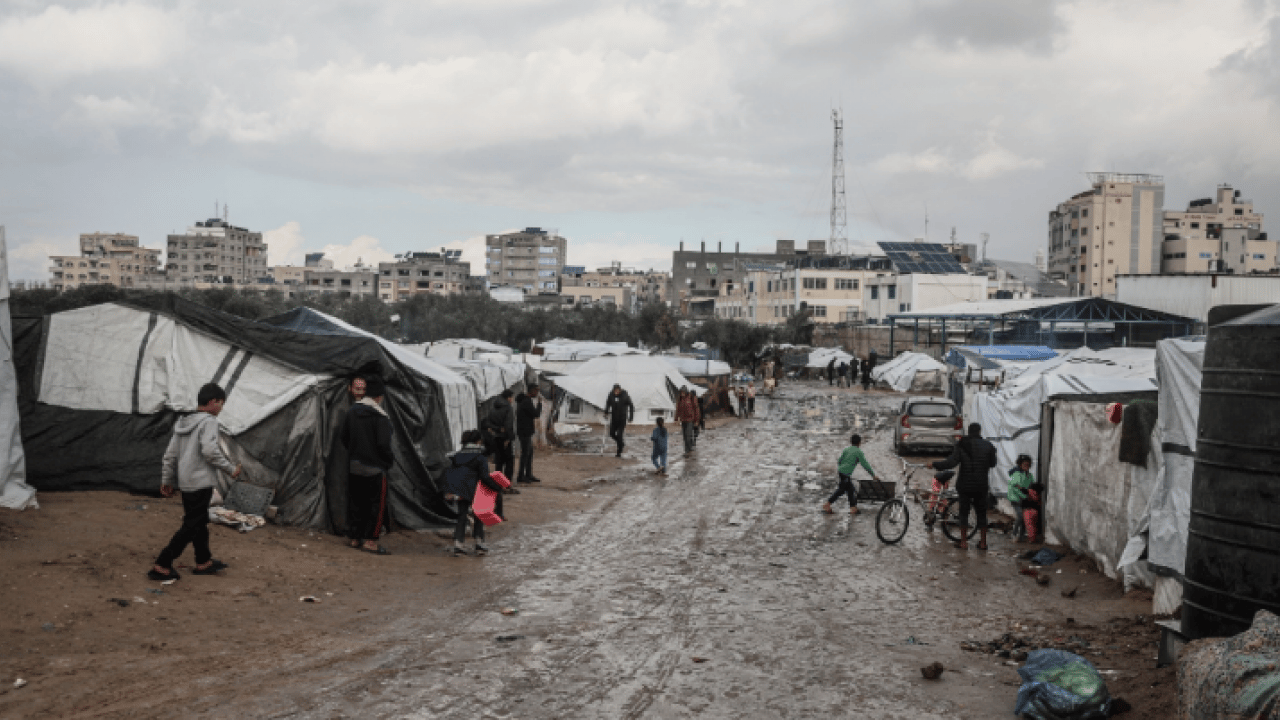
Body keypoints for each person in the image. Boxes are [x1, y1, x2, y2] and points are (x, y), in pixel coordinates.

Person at [149, 383, 242, 581]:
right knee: (192, 524)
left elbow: (170, 455)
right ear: (213, 402)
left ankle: (203, 561)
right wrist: (231, 469)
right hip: (201, 483)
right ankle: (162, 563)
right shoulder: (209, 422)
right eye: (221, 403)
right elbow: (210, 451)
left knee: (199, 521)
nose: (221, 408)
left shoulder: (183, 422)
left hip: (186, 483)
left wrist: (167, 479)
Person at [340, 375, 395, 555]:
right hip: (375, 469)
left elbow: (344, 438)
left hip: (354, 466)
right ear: (378, 397)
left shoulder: (352, 412)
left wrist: (355, 453)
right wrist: (387, 462)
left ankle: (355, 538)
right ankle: (370, 541)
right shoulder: (381, 417)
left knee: (356, 502)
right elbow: (383, 445)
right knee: (375, 506)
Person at [930, 423, 999, 551]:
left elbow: (951, 462)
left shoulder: (962, 444)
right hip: (981, 485)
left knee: (964, 513)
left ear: (968, 431)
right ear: (979, 431)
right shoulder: (988, 446)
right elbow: (993, 464)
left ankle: (963, 543)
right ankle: (983, 543)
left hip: (965, 485)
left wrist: (935, 464)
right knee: (982, 513)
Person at [444, 430, 502, 556]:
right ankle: (479, 544)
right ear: (478, 441)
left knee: (462, 515)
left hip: (456, 490)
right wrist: (496, 487)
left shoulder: (456, 455)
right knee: (479, 515)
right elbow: (485, 477)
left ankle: (458, 544)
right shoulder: (480, 457)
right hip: (472, 489)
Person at [823, 433, 880, 516]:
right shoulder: (858, 452)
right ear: (859, 443)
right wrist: (873, 475)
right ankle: (827, 504)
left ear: (851, 442)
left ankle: (853, 508)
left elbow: (839, 461)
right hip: (845, 474)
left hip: (841, 472)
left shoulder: (846, 449)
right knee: (841, 490)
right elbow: (865, 464)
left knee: (850, 489)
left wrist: (844, 467)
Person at [482, 390, 517, 498]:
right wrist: (508, 438)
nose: (512, 400)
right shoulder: (508, 409)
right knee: (509, 462)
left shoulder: (493, 408)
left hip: (496, 438)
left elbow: (487, 423)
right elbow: (508, 425)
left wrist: (496, 429)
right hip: (505, 439)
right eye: (512, 397)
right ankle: (506, 485)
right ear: (508, 398)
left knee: (499, 462)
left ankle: (497, 485)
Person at [515, 385, 543, 484]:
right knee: (525, 454)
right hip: (525, 432)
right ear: (532, 391)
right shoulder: (526, 401)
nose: (537, 393)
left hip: (524, 431)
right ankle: (521, 476)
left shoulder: (525, 401)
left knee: (529, 453)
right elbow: (536, 414)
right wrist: (539, 404)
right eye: (536, 391)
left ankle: (528, 474)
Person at [1007, 454, 1035, 542]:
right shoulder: (1017, 474)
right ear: (1020, 465)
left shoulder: (1029, 475)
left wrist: (1028, 493)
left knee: (1025, 517)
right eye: (1024, 465)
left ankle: (1021, 536)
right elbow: (1015, 488)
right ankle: (1014, 534)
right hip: (1015, 498)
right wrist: (1025, 495)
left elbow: (1031, 486)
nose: (1026, 466)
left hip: (1024, 498)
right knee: (1020, 516)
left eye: (1028, 465)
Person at [604, 384, 634, 457]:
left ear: (620, 390)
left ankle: (619, 451)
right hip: (614, 418)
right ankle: (621, 443)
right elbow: (608, 403)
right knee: (611, 433)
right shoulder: (611, 395)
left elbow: (631, 405)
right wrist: (606, 412)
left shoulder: (625, 395)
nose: (616, 392)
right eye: (615, 391)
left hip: (622, 419)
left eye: (617, 390)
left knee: (619, 435)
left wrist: (631, 417)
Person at [675, 386, 701, 454]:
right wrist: (676, 418)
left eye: (683, 392)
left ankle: (689, 449)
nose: (682, 393)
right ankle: (687, 450)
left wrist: (696, 420)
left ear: (686, 392)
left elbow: (696, 409)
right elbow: (678, 409)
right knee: (684, 436)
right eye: (681, 392)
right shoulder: (680, 399)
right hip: (683, 420)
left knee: (688, 435)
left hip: (690, 419)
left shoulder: (691, 398)